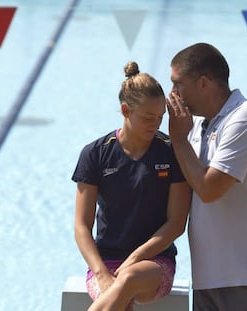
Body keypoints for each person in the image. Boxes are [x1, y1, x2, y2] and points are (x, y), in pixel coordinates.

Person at [166, 43, 247, 311]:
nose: (172, 94)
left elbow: (209, 189)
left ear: (203, 83)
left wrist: (177, 139)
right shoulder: (196, 129)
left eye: (177, 84)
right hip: (209, 278)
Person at [72, 61, 191, 311]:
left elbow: (176, 223)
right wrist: (101, 273)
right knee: (120, 296)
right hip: (105, 264)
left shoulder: (170, 152)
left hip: (154, 263)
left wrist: (135, 258)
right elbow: (82, 225)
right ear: (126, 110)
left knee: (127, 280)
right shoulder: (95, 154)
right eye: (148, 117)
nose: (156, 125)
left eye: (160, 118)